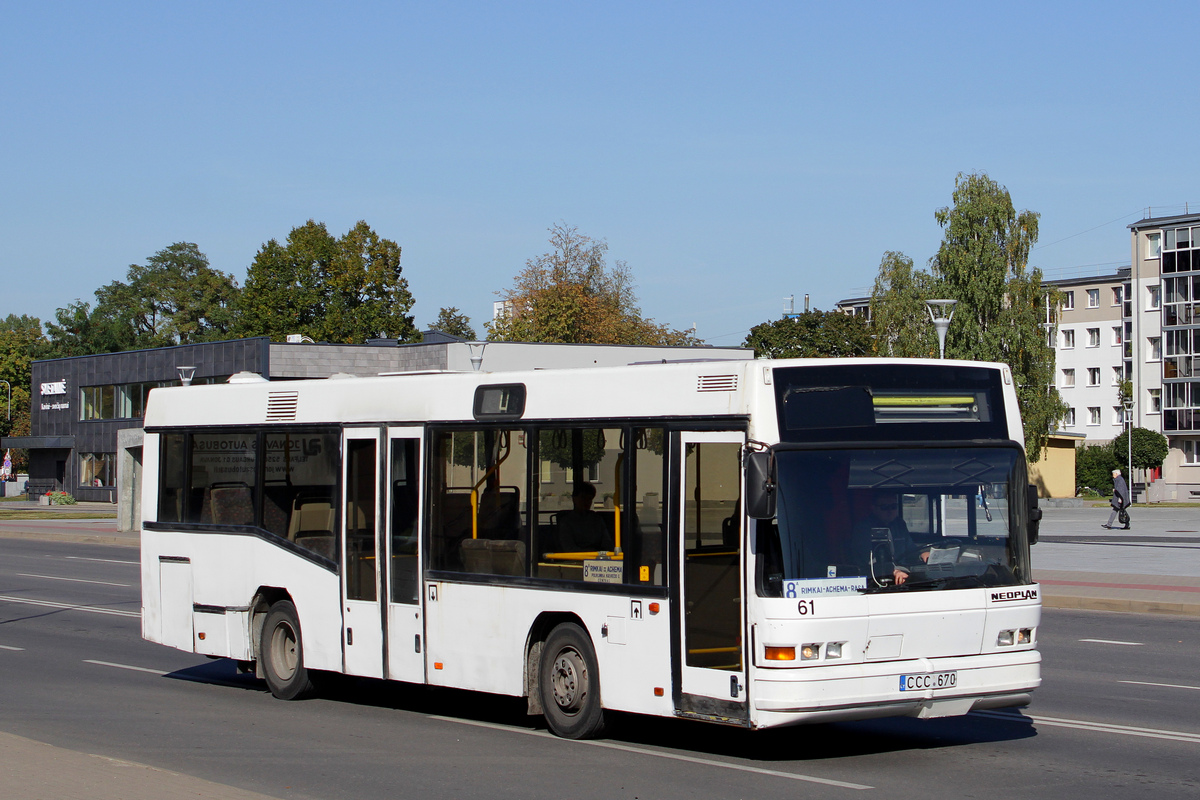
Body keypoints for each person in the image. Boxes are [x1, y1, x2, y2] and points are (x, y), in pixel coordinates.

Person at [853, 491, 928, 585]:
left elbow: (910, 550)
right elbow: (870, 560)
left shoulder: (899, 524)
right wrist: (894, 571)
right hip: (874, 579)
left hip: (904, 574)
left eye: (893, 507)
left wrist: (922, 555)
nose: (890, 511)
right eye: (885, 507)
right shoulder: (863, 528)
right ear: (873, 508)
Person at [557, 482, 610, 551]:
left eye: (590, 499)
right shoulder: (566, 521)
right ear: (574, 499)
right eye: (583, 497)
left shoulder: (597, 519)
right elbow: (568, 548)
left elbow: (607, 543)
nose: (586, 502)